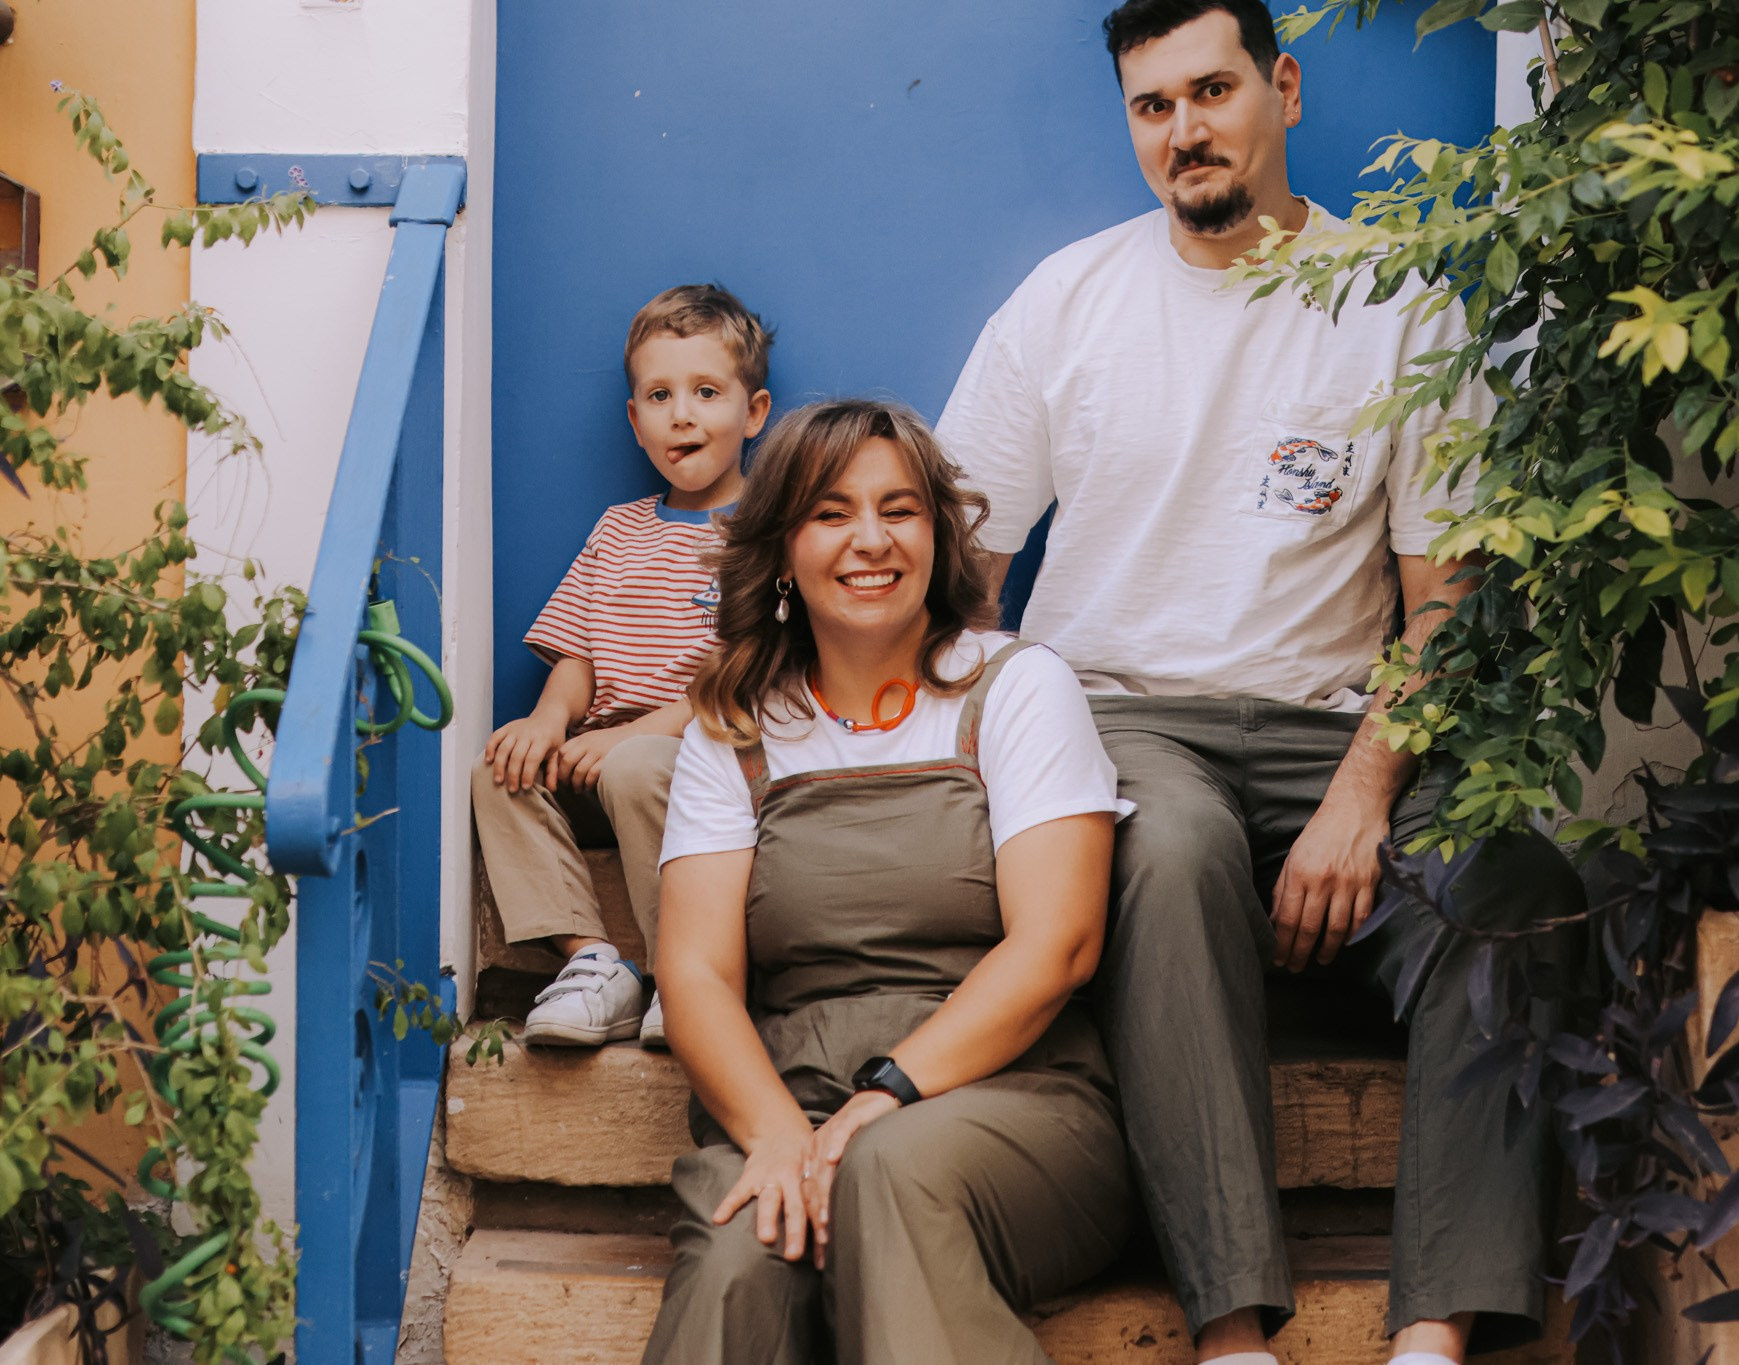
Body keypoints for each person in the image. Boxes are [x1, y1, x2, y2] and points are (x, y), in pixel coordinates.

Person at [935, 3, 1585, 1362]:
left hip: (1330, 733)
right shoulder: (1068, 304)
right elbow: (964, 573)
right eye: (1152, 107)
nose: (1185, 131)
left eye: (1212, 90)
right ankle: (1232, 1332)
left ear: (1281, 89)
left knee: (1512, 881)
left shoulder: (1399, 300)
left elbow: (1445, 606)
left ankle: (1434, 1335)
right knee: (1169, 848)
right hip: (1121, 721)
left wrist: (1362, 797)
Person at [640, 399, 1135, 1365]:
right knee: (739, 1265)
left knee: (887, 1169)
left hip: (1013, 1097)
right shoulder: (735, 725)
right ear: (783, 548)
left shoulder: (1016, 684)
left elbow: (1058, 943)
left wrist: (886, 1094)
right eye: (831, 513)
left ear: (937, 535)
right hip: (786, 1096)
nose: (871, 539)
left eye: (899, 509)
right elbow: (692, 971)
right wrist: (780, 1133)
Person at [472, 284, 773, 1048]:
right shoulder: (619, 529)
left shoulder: (763, 534)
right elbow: (579, 653)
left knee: (638, 764)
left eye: (707, 392)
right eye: (659, 395)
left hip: (696, 758)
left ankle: (687, 968)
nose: (682, 414)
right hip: (597, 754)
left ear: (754, 411)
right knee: (499, 769)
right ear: (634, 420)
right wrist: (546, 720)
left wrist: (630, 736)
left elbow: (745, 671)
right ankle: (594, 961)